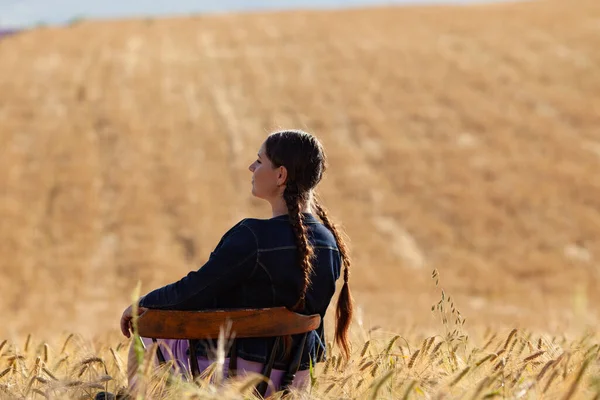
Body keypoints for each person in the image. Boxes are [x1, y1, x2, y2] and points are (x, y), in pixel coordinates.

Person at [108, 130, 353, 398]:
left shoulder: (252, 236)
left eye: (259, 161)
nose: (252, 167)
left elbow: (195, 291)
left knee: (144, 339)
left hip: (232, 374)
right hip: (296, 380)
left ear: (281, 175)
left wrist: (143, 302)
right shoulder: (330, 243)